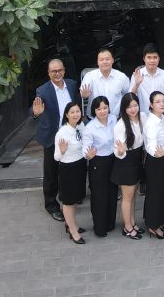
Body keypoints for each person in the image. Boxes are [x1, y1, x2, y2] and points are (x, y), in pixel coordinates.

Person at [31, 57, 79, 221]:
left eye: (60, 70)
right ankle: (51, 205)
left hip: (71, 134)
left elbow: (77, 105)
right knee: (51, 173)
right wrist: (35, 113)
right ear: (49, 73)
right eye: (54, 71)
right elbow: (34, 108)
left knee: (71, 168)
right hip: (52, 137)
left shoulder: (72, 84)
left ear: (64, 71)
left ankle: (71, 199)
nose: (57, 73)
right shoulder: (43, 90)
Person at [82, 96, 119, 237]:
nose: (103, 111)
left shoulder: (113, 119)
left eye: (105, 108)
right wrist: (88, 154)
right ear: (94, 111)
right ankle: (100, 227)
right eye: (99, 109)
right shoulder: (90, 127)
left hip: (113, 160)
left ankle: (110, 224)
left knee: (112, 193)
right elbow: (85, 148)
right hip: (97, 162)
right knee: (99, 196)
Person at [53, 101, 87, 244]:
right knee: (68, 200)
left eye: (77, 111)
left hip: (80, 165)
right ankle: (72, 231)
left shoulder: (81, 126)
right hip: (68, 168)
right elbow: (56, 157)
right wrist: (62, 151)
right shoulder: (62, 132)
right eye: (72, 112)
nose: (75, 114)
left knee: (75, 198)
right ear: (66, 114)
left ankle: (71, 224)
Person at [112, 93, 145, 239]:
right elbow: (117, 150)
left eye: (135, 105)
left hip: (137, 159)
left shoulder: (142, 117)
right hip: (126, 162)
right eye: (129, 106)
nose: (133, 109)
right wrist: (120, 151)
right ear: (123, 108)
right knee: (127, 197)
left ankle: (132, 222)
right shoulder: (120, 125)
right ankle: (127, 227)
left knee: (133, 195)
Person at [141, 91, 164, 239]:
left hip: (162, 158)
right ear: (151, 105)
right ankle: (153, 225)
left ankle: (158, 221)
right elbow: (150, 143)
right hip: (155, 160)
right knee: (155, 193)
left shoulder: (161, 118)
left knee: (160, 191)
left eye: (163, 101)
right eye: (157, 102)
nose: (162, 104)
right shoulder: (152, 122)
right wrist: (156, 153)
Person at [132, 44, 164, 110]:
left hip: (160, 113)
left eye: (155, 57)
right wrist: (137, 84)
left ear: (159, 58)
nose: (152, 61)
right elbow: (130, 97)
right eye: (149, 57)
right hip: (141, 114)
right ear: (144, 59)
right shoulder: (138, 74)